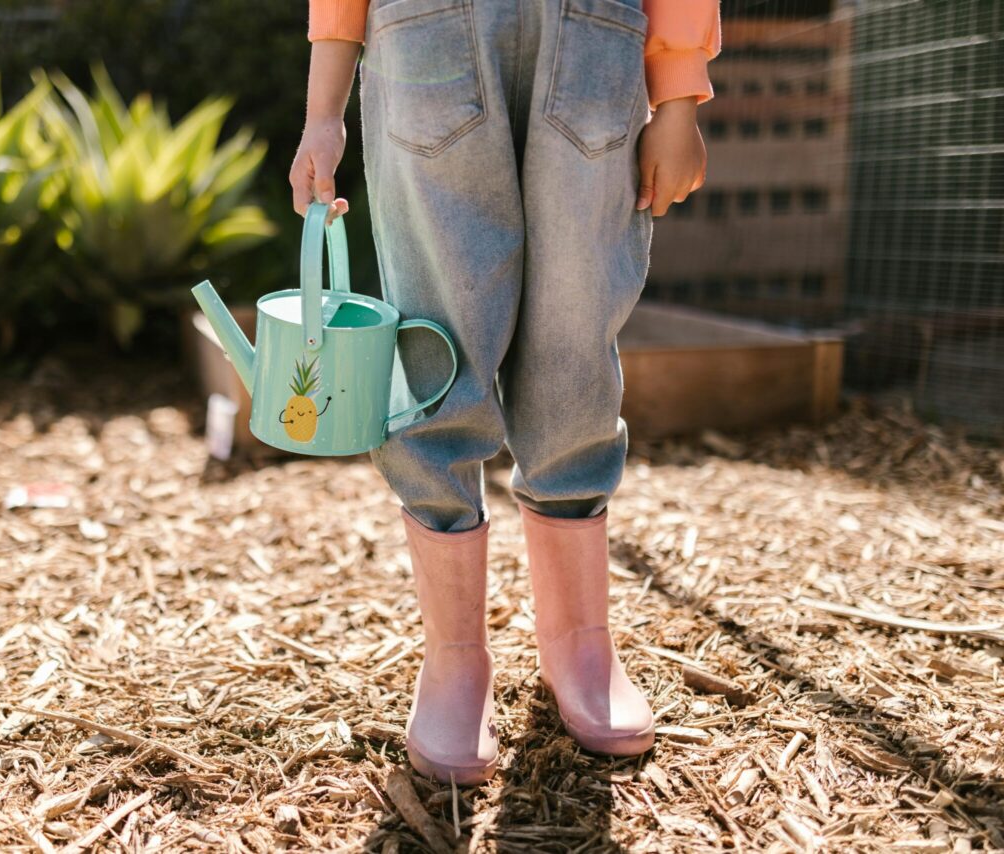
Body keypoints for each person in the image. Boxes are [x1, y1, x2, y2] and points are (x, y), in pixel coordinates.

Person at [289, 0, 720, 784]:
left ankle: (579, 644)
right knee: (437, 350)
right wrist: (324, 109)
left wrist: (680, 90)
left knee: (573, 347)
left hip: (595, 30)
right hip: (425, 29)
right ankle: (455, 658)